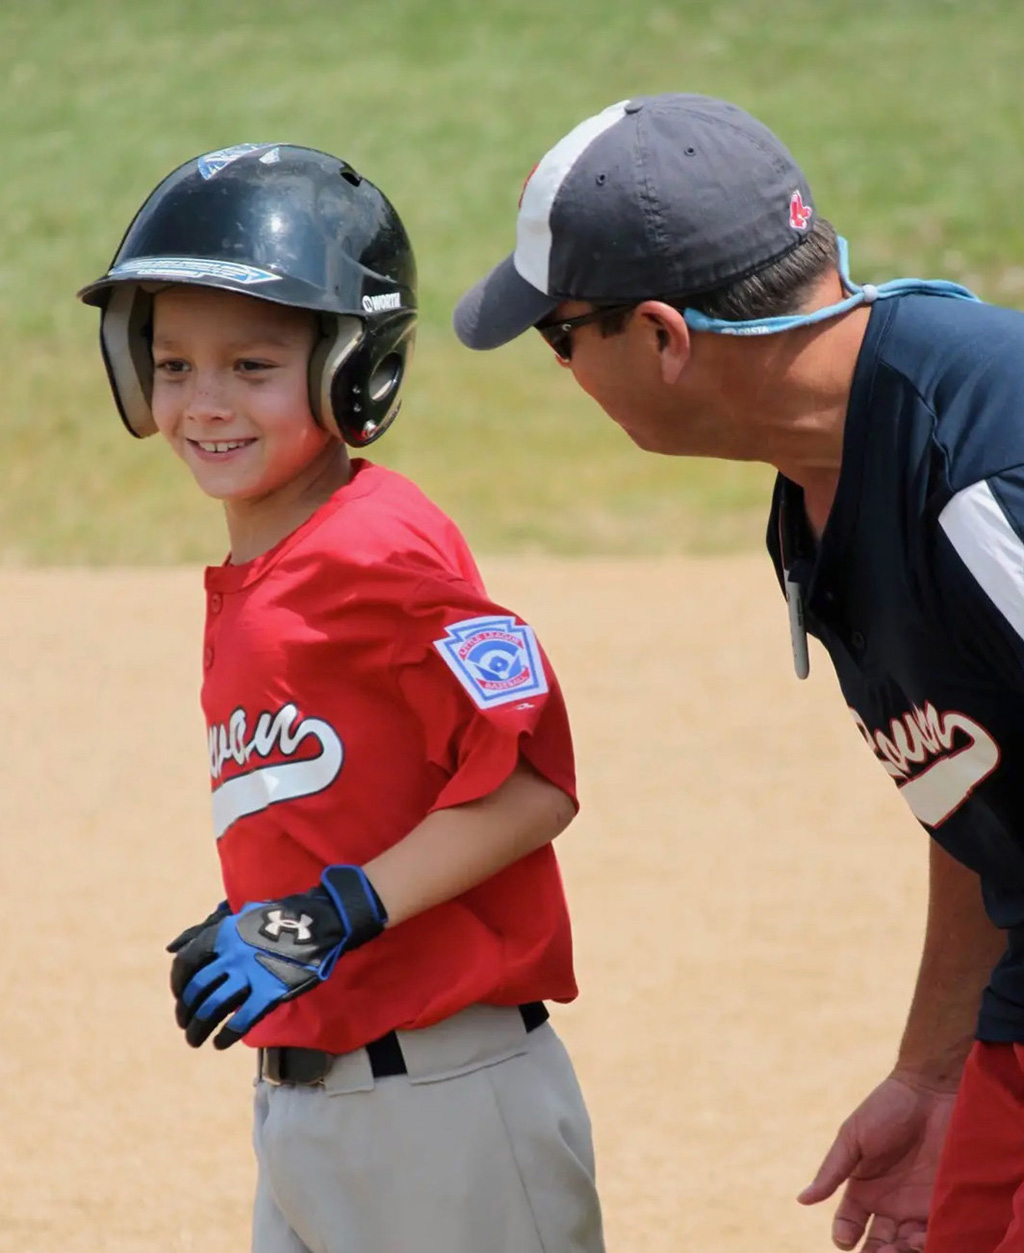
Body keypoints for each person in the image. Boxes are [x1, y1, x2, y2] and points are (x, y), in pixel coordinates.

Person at [452, 93, 1024, 1253]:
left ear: (662, 335)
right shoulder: (825, 474)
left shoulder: (981, 480)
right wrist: (933, 1069)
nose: (561, 369)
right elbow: (979, 782)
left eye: (561, 335)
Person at [78, 142, 605, 1253]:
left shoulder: (380, 550)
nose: (203, 401)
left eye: (252, 366)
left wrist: (332, 910)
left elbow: (531, 783)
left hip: (444, 1111)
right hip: (312, 1107)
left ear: (350, 369)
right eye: (172, 365)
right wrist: (270, 905)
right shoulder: (270, 563)